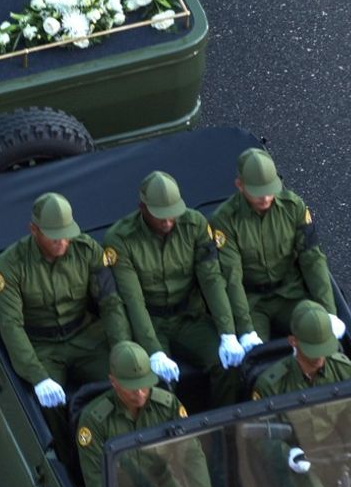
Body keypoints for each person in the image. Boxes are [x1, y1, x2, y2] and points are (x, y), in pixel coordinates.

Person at [0, 192, 129, 447]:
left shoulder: (86, 250)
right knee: (45, 407)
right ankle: (66, 457)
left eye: (66, 233)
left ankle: (121, 442)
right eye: (54, 236)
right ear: (34, 230)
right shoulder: (10, 265)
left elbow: (110, 303)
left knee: (127, 381)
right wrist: (38, 376)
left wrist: (122, 349)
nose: (63, 241)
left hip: (86, 335)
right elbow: (11, 325)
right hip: (42, 345)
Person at [104, 171, 251, 402]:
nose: (167, 221)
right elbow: (133, 300)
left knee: (228, 365)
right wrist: (154, 351)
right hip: (150, 321)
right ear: (142, 208)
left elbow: (212, 279)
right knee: (152, 381)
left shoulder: (194, 224)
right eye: (160, 215)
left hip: (189, 317)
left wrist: (228, 333)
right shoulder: (120, 239)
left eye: (172, 214)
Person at [76, 342, 216, 487]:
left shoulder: (167, 404)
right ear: (113, 381)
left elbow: (191, 456)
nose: (141, 393)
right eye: (132, 387)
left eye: (145, 384)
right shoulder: (94, 420)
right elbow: (97, 480)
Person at [251, 304, 351, 487]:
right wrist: (287, 456)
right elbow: (261, 435)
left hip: (343, 452)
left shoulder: (343, 369)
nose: (320, 357)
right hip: (300, 461)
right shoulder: (271, 385)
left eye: (324, 348)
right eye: (312, 349)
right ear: (293, 341)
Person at [211, 148, 339, 344]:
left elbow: (312, 258)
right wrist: (245, 328)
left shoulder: (293, 206)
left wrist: (328, 311)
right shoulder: (224, 220)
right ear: (239, 185)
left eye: (269, 190)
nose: (265, 198)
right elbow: (232, 276)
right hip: (253, 302)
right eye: (258, 192)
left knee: (320, 338)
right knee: (255, 357)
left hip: (292, 293)